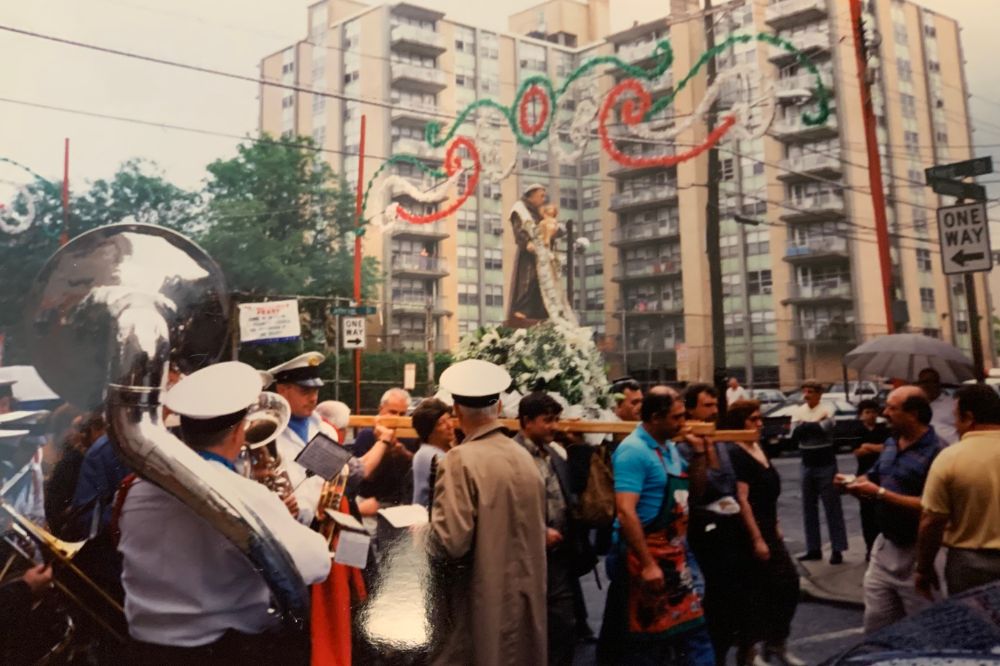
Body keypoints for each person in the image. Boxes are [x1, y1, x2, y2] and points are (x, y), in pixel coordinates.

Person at [118, 361, 330, 663]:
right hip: (221, 652)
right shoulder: (246, 495)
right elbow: (315, 564)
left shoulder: (136, 489)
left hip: (143, 650)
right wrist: (278, 516)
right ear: (239, 431)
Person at [427, 359, 547, 666]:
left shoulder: (459, 460)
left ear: (455, 409)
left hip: (480, 606)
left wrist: (420, 533)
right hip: (525, 601)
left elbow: (450, 542)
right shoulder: (523, 456)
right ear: (498, 407)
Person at [598, 386, 713, 666]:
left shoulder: (670, 447)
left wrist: (699, 455)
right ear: (655, 417)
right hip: (643, 555)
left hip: (674, 553)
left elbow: (695, 494)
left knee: (693, 633)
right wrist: (648, 565)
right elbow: (626, 512)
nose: (683, 423)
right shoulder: (633, 451)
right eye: (676, 417)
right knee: (647, 641)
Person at [835, 386, 943, 634]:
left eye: (892, 408)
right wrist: (851, 483)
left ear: (913, 414)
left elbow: (933, 507)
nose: (884, 412)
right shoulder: (891, 444)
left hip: (919, 551)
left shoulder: (938, 452)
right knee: (876, 627)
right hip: (885, 548)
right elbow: (874, 478)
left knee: (925, 633)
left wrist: (881, 494)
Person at [515, 392, 595, 666]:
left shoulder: (552, 453)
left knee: (563, 623)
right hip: (526, 554)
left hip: (558, 554)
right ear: (526, 421)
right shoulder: (513, 456)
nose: (554, 427)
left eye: (556, 420)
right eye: (547, 420)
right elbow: (510, 507)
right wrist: (538, 532)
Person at [722, 400, 803, 666]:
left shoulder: (758, 446)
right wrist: (757, 538)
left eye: (760, 419)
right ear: (739, 423)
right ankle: (749, 652)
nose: (759, 424)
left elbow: (768, 490)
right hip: (749, 530)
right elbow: (743, 498)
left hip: (769, 526)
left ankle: (776, 643)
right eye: (753, 419)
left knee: (788, 585)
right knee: (754, 593)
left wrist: (775, 523)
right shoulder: (736, 452)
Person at [917, 384, 1000, 597]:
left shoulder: (949, 458)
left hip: (971, 566)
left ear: (969, 417)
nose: (955, 425)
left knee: (974, 627)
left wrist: (924, 569)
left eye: (956, 417)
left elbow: (931, 522)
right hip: (971, 563)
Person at [682, 384, 744, 665]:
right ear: (691, 409)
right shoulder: (684, 443)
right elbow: (706, 488)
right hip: (699, 530)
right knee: (705, 600)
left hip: (726, 530)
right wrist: (704, 455)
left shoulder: (718, 438)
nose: (714, 411)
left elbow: (727, 480)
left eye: (716, 405)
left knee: (727, 598)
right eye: (707, 406)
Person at [268, 352, 345, 524]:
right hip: (283, 525)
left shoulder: (327, 432)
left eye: (316, 390)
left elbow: (332, 485)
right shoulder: (267, 436)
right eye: (305, 391)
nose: (313, 398)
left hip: (321, 526)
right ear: (282, 390)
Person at [791, 380, 847, 564]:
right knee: (808, 507)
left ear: (819, 393)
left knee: (832, 506)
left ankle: (837, 549)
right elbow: (794, 434)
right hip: (807, 462)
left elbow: (825, 428)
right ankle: (813, 548)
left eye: (811, 391)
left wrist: (805, 426)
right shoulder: (799, 410)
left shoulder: (828, 407)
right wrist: (812, 425)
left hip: (825, 463)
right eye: (805, 391)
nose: (807, 395)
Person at [350, 387, 416, 512]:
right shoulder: (366, 435)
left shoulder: (410, 436)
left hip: (400, 506)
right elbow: (363, 476)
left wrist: (404, 453)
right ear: (381, 409)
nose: (397, 418)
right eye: (392, 412)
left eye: (402, 414)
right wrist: (383, 451)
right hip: (369, 504)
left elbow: (417, 469)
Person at [850, 399, 891, 559]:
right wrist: (874, 448)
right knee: (867, 514)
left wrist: (869, 446)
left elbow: (888, 448)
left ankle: (884, 547)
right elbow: (857, 452)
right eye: (867, 412)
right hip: (864, 474)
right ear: (861, 415)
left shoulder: (883, 429)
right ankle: (870, 548)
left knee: (883, 511)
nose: (871, 415)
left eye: (873, 412)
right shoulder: (857, 430)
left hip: (882, 475)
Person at [506, 183, 550, 325]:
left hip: (542, 253)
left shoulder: (539, 212)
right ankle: (522, 310)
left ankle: (539, 311)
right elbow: (519, 229)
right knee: (527, 281)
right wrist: (526, 243)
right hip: (528, 254)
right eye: (541, 196)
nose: (543, 199)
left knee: (541, 282)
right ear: (531, 195)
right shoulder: (520, 210)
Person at [410, 398, 454, 508]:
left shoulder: (441, 450)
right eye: (441, 423)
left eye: (449, 419)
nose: (450, 425)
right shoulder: (428, 454)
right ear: (429, 431)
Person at [915, 368, 958, 445]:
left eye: (931, 381)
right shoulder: (916, 406)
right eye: (923, 382)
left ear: (938, 383)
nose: (927, 385)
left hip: (950, 449)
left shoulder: (952, 404)